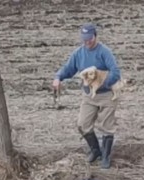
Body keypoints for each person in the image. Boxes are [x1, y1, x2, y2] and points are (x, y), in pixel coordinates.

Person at [52, 24, 122, 168]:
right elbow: (69, 69)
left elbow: (115, 71)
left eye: (90, 39)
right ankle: (95, 150)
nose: (87, 42)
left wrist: (103, 83)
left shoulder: (104, 52)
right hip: (89, 95)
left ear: (95, 36)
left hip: (107, 94)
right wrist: (58, 77)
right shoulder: (78, 54)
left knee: (106, 126)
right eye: (85, 39)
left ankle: (106, 156)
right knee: (83, 124)